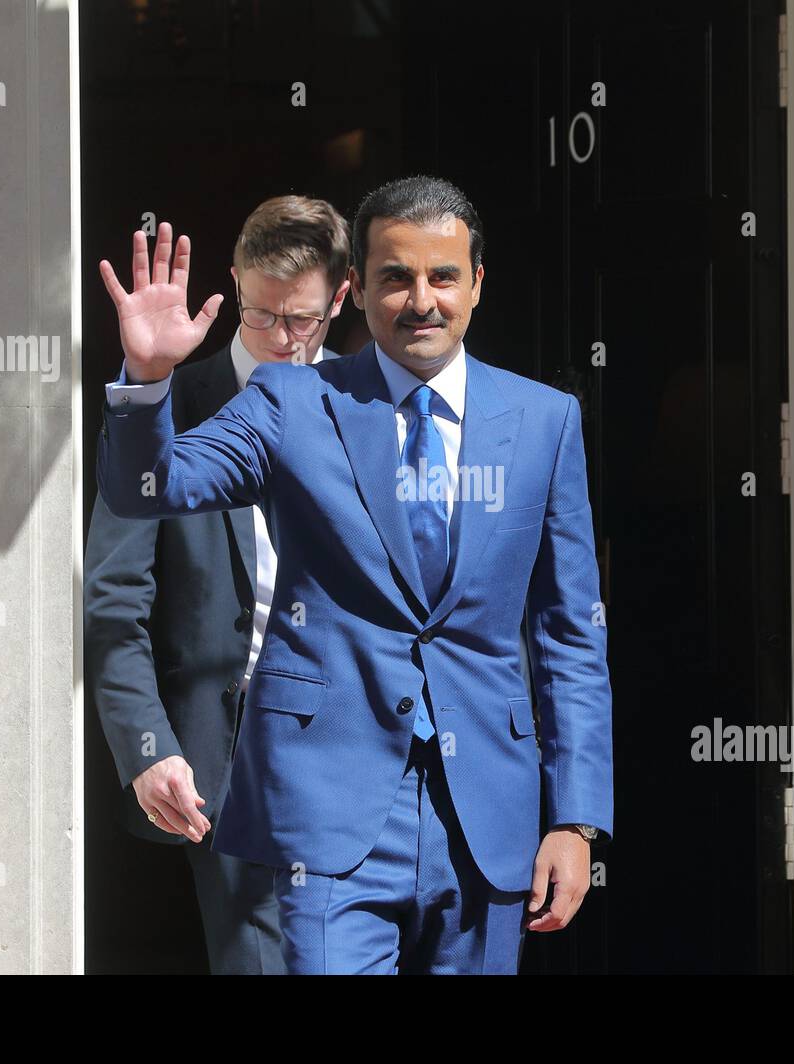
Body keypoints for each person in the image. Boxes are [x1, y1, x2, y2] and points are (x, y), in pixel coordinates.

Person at [96, 175, 613, 974]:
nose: (421, 300)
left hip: (487, 812)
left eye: (443, 276)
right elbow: (152, 488)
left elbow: (569, 632)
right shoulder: (293, 399)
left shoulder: (545, 421)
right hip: (330, 810)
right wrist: (148, 380)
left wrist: (575, 820)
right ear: (360, 292)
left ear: (478, 281)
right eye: (395, 278)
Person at [85, 195, 348, 974]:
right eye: (260, 314)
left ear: (340, 297)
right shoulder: (169, 406)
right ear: (234, 284)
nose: (280, 340)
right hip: (229, 762)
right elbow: (114, 598)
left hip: (363, 748)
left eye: (301, 320)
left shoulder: (373, 407)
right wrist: (147, 749)